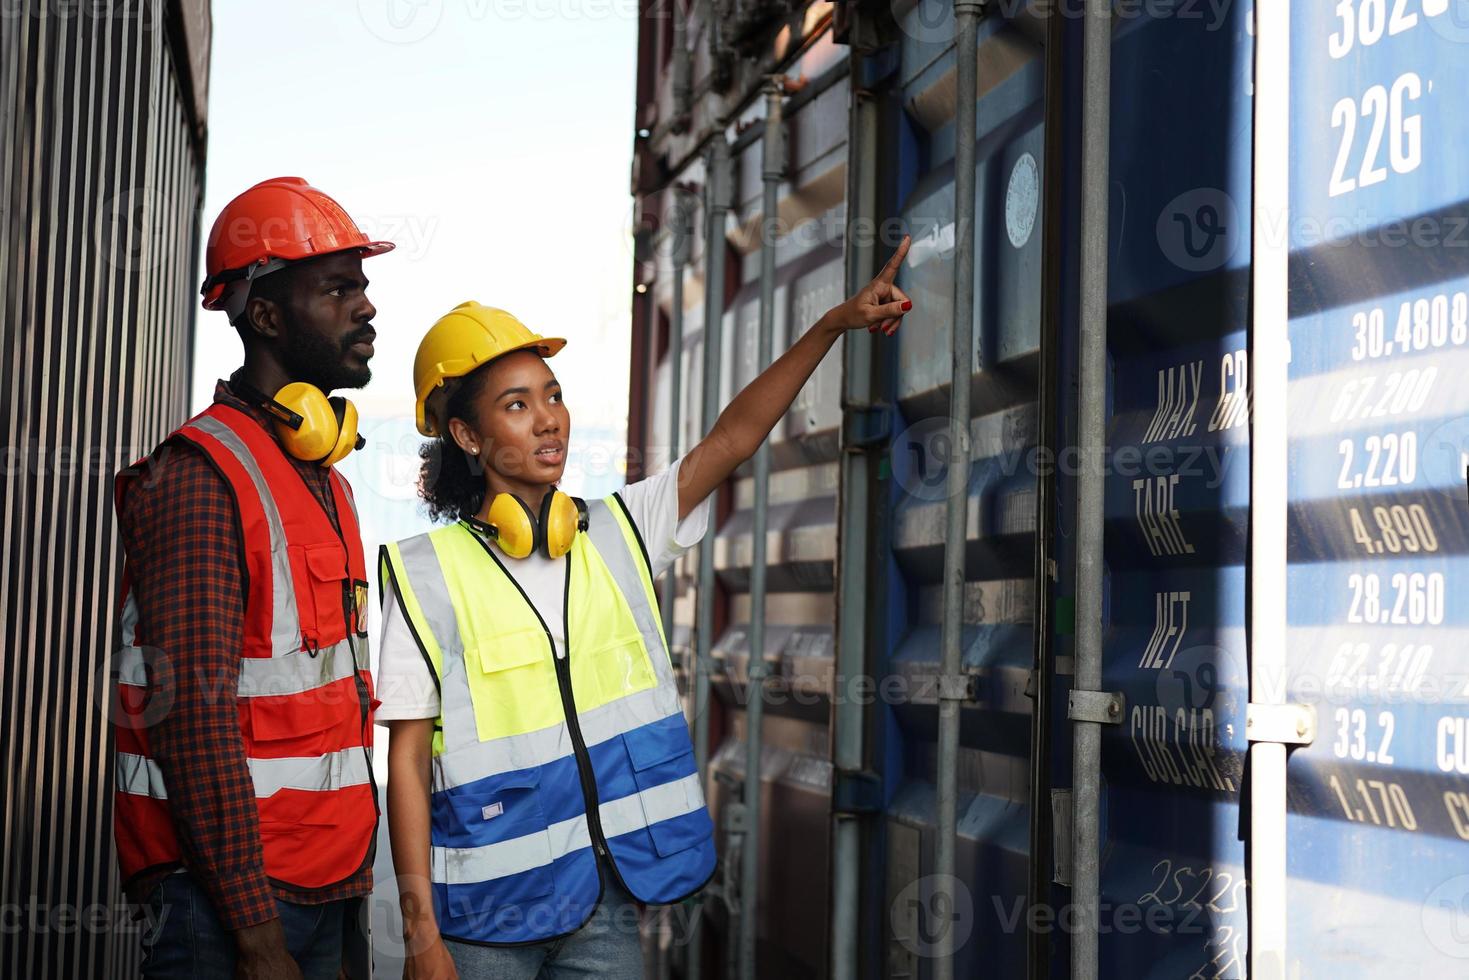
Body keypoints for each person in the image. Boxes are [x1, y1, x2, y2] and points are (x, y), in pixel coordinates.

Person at [375, 237, 913, 979]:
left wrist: (828, 325)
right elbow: (405, 761)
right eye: (516, 404)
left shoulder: (620, 530)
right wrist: (420, 936)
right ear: (467, 436)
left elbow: (732, 438)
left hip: (603, 903)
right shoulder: (425, 574)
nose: (547, 420)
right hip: (484, 919)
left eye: (553, 395)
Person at [112, 177, 391, 979]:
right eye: (338, 289)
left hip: (328, 886)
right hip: (231, 909)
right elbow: (192, 716)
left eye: (363, 286)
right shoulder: (200, 476)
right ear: (265, 316)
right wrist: (256, 937)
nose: (365, 308)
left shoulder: (327, 480)